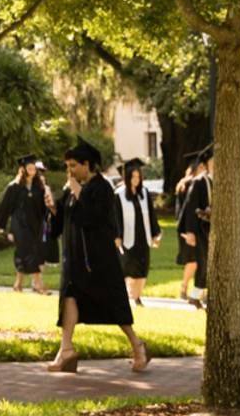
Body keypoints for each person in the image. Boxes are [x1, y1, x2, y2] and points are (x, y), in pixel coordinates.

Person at [43, 140, 149, 374]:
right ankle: (66, 350)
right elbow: (63, 222)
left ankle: (137, 345)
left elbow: (93, 217)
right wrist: (53, 209)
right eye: (67, 166)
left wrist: (76, 191)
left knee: (114, 305)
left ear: (86, 164)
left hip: (99, 261)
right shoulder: (73, 189)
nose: (69, 170)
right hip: (75, 259)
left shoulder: (102, 188)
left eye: (73, 165)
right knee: (69, 298)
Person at [0, 155, 55, 295]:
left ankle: (18, 284)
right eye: (29, 167)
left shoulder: (39, 187)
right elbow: (4, 206)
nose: (32, 169)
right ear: (24, 168)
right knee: (31, 252)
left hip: (35, 225)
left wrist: (49, 217)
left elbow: (44, 207)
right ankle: (39, 285)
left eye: (33, 167)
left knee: (23, 253)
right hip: (19, 225)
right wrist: (1, 226)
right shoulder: (14, 186)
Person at [114, 159, 160, 306]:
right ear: (127, 178)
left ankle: (136, 295)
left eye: (138, 177)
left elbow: (151, 215)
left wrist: (155, 234)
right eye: (133, 177)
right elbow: (116, 217)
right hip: (127, 238)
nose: (136, 180)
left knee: (143, 268)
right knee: (129, 268)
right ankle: (132, 297)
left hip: (143, 237)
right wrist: (117, 235)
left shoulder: (144, 193)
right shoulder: (119, 195)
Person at [173, 149, 211, 306]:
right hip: (197, 228)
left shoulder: (214, 181)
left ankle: (199, 294)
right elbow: (188, 208)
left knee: (204, 262)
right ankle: (191, 293)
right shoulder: (196, 183)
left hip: (206, 229)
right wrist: (189, 230)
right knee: (199, 261)